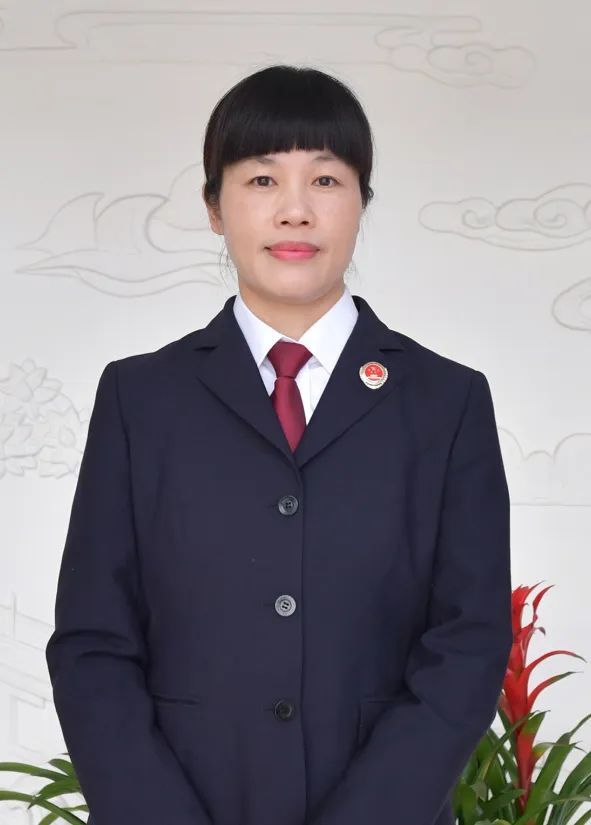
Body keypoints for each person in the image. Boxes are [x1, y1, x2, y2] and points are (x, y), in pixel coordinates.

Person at [45, 64, 513, 825]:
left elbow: (467, 641)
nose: (295, 211)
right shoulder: (141, 397)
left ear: (362, 202)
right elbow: (93, 642)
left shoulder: (445, 401)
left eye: (325, 180)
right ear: (213, 206)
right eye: (262, 180)